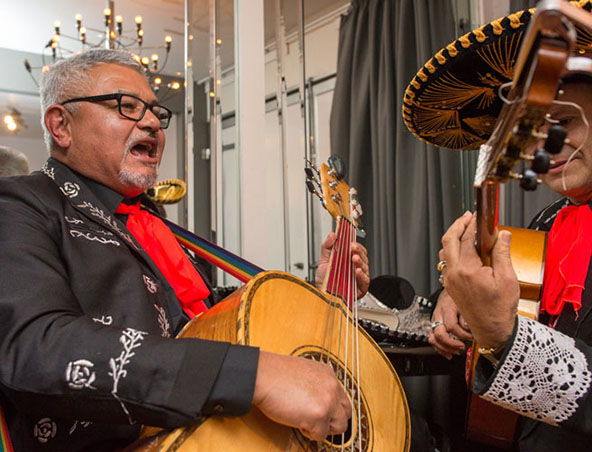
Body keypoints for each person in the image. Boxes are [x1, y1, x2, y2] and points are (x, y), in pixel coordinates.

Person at [0, 49, 370, 451]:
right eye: (126, 105)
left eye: (157, 113)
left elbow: (210, 318)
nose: (151, 123)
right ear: (61, 125)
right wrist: (252, 376)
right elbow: (37, 348)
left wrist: (312, 294)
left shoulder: (153, 223)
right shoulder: (20, 204)